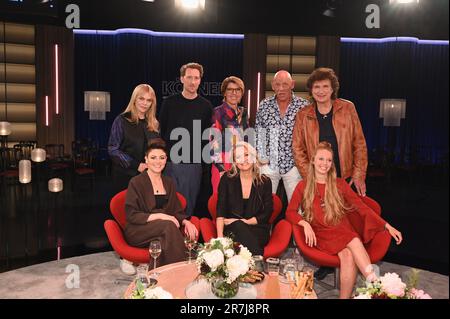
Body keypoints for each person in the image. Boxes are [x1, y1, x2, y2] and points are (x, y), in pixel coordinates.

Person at [286, 142, 403, 299]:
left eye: (329, 160)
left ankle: (352, 295)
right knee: (353, 239)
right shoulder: (303, 185)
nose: (325, 164)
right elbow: (290, 212)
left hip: (342, 229)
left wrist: (386, 225)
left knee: (348, 254)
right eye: (321, 159)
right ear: (313, 160)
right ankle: (377, 288)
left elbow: (361, 207)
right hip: (322, 233)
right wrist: (304, 223)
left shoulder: (339, 184)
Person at [292, 67, 368, 280]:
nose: (321, 91)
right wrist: (312, 178)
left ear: (333, 88)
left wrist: (359, 173)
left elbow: (359, 143)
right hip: (318, 178)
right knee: (323, 220)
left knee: (347, 221)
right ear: (311, 91)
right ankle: (328, 260)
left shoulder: (347, 108)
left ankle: (353, 261)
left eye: (325, 86)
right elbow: (297, 148)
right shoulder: (304, 114)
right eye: (317, 87)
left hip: (344, 176)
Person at [122, 140, 198, 274]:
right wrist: (162, 216)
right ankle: (183, 270)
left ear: (166, 159)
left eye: (162, 158)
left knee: (165, 237)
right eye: (153, 157)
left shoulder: (168, 182)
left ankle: (157, 276)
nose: (158, 162)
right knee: (168, 226)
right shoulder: (136, 182)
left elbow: (177, 210)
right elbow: (131, 215)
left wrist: (186, 221)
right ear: (146, 159)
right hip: (138, 230)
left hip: (162, 230)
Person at [159, 62, 213, 216]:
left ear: (200, 80)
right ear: (182, 79)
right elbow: (162, 132)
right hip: (171, 163)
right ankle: (170, 237)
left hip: (194, 164)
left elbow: (206, 138)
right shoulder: (169, 103)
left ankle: (187, 239)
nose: (192, 81)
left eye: (196, 78)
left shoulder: (206, 106)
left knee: (189, 207)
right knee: (169, 205)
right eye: (189, 77)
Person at [255, 70, 309, 202]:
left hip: (294, 165)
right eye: (277, 84)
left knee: (298, 207)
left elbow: (309, 136)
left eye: (285, 84)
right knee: (263, 206)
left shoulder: (304, 106)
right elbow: (259, 133)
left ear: (292, 85)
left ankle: (297, 223)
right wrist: (262, 160)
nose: (281, 88)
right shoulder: (264, 105)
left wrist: (304, 162)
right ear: (273, 85)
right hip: (269, 164)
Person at [216, 141, 273, 256]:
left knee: (240, 228)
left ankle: (247, 267)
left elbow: (266, 213)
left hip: (258, 229)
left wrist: (243, 222)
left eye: (246, 155)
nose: (243, 159)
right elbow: (220, 211)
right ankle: (257, 264)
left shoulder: (265, 181)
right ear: (234, 162)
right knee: (238, 228)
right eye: (238, 157)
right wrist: (220, 238)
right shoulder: (226, 180)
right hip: (233, 229)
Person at [108, 84, 160, 194]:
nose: (145, 103)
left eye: (149, 100)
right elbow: (113, 149)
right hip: (125, 176)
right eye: (141, 98)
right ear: (134, 99)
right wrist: (136, 165)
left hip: (149, 177)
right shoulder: (121, 120)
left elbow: (157, 149)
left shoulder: (154, 124)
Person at [210, 76, 249, 193]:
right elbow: (213, 143)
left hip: (241, 162)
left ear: (242, 93)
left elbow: (247, 140)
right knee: (221, 200)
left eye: (237, 90)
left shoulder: (244, 112)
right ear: (224, 93)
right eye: (230, 89)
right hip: (222, 161)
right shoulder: (218, 112)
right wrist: (221, 169)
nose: (234, 93)